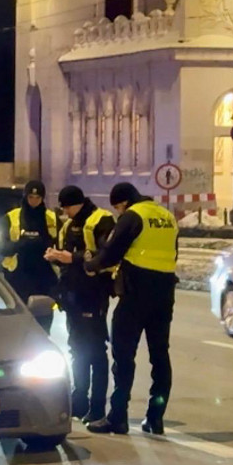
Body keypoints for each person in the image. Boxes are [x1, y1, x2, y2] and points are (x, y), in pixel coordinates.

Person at [84, 182, 178, 436]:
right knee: (160, 356)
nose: (117, 213)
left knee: (124, 357)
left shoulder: (132, 216)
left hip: (136, 294)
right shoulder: (166, 216)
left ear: (123, 202)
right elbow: (173, 255)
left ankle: (118, 418)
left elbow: (111, 253)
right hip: (164, 294)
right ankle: (155, 418)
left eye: (117, 208)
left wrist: (90, 266)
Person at [44, 186, 116, 424]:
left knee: (95, 351)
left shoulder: (100, 220)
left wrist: (71, 257)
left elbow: (107, 255)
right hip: (73, 296)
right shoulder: (67, 226)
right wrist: (55, 255)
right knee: (77, 349)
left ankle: (97, 406)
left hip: (93, 295)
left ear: (77, 203)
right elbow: (65, 261)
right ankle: (80, 400)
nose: (64, 211)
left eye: (66, 206)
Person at [1, 181, 57, 303]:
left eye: (38, 197)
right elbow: (1, 247)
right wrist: (21, 244)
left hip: (44, 275)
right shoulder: (11, 217)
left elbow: (60, 244)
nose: (34, 201)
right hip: (18, 274)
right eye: (30, 197)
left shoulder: (52, 218)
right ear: (25, 196)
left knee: (44, 314)